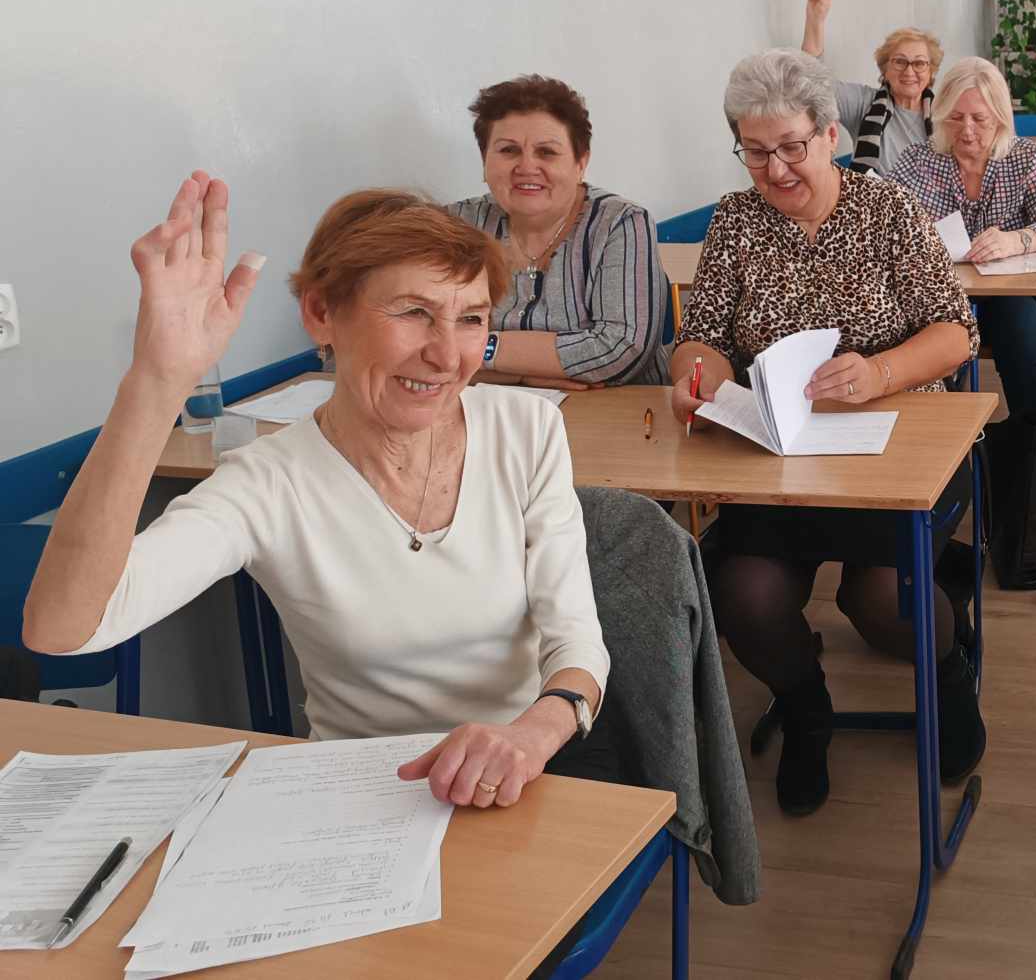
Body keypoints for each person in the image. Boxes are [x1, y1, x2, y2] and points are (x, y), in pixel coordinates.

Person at [25, 180, 612, 812]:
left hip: (522, 781)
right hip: (360, 797)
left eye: (470, 318)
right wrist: (157, 380)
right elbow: (63, 630)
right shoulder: (267, 482)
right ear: (321, 313)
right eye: (413, 313)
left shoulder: (527, 429)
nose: (447, 355)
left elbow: (575, 636)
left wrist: (532, 734)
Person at [670, 49, 984, 818]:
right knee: (742, 594)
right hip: (780, 460)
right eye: (754, 151)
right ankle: (806, 704)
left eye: (791, 147)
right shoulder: (736, 221)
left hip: (898, 455)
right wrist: (699, 377)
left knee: (883, 600)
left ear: (830, 136)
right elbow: (702, 334)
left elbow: (956, 332)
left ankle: (949, 673)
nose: (774, 170)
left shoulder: (889, 211)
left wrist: (879, 373)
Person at [446, 74, 667, 387]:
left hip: (615, 409)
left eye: (546, 152)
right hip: (491, 403)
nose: (526, 167)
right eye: (508, 150)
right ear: (484, 160)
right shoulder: (456, 226)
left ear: (581, 163)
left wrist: (478, 351)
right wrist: (526, 377)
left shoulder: (620, 222)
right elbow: (427, 338)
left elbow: (621, 350)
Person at [890, 57, 1036, 414]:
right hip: (942, 298)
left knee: (1020, 326)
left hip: (1017, 297)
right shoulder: (918, 159)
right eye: (955, 118)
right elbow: (886, 223)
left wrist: (1016, 240)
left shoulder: (1026, 156)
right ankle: (938, 435)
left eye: (979, 119)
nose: (967, 130)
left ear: (1000, 119)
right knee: (909, 334)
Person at [800, 0, 941, 173]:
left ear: (931, 71)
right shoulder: (865, 103)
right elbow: (812, 84)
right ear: (885, 68)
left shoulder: (946, 113)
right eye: (900, 62)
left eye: (919, 63)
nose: (909, 71)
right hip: (872, 194)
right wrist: (815, 19)